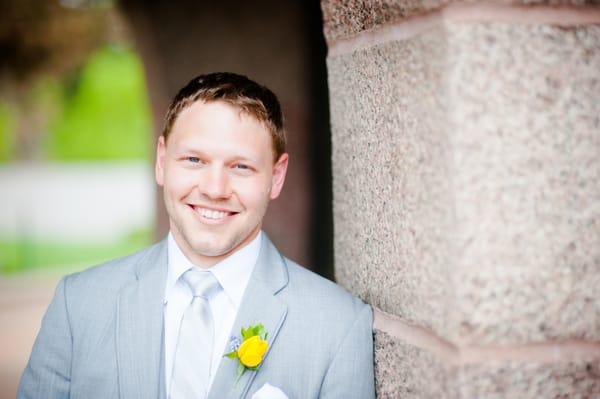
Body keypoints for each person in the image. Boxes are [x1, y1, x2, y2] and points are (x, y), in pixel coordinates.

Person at [18, 72, 375, 399]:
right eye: (193, 160)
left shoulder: (339, 326)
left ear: (276, 177)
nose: (215, 188)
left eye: (241, 166)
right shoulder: (77, 305)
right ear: (161, 161)